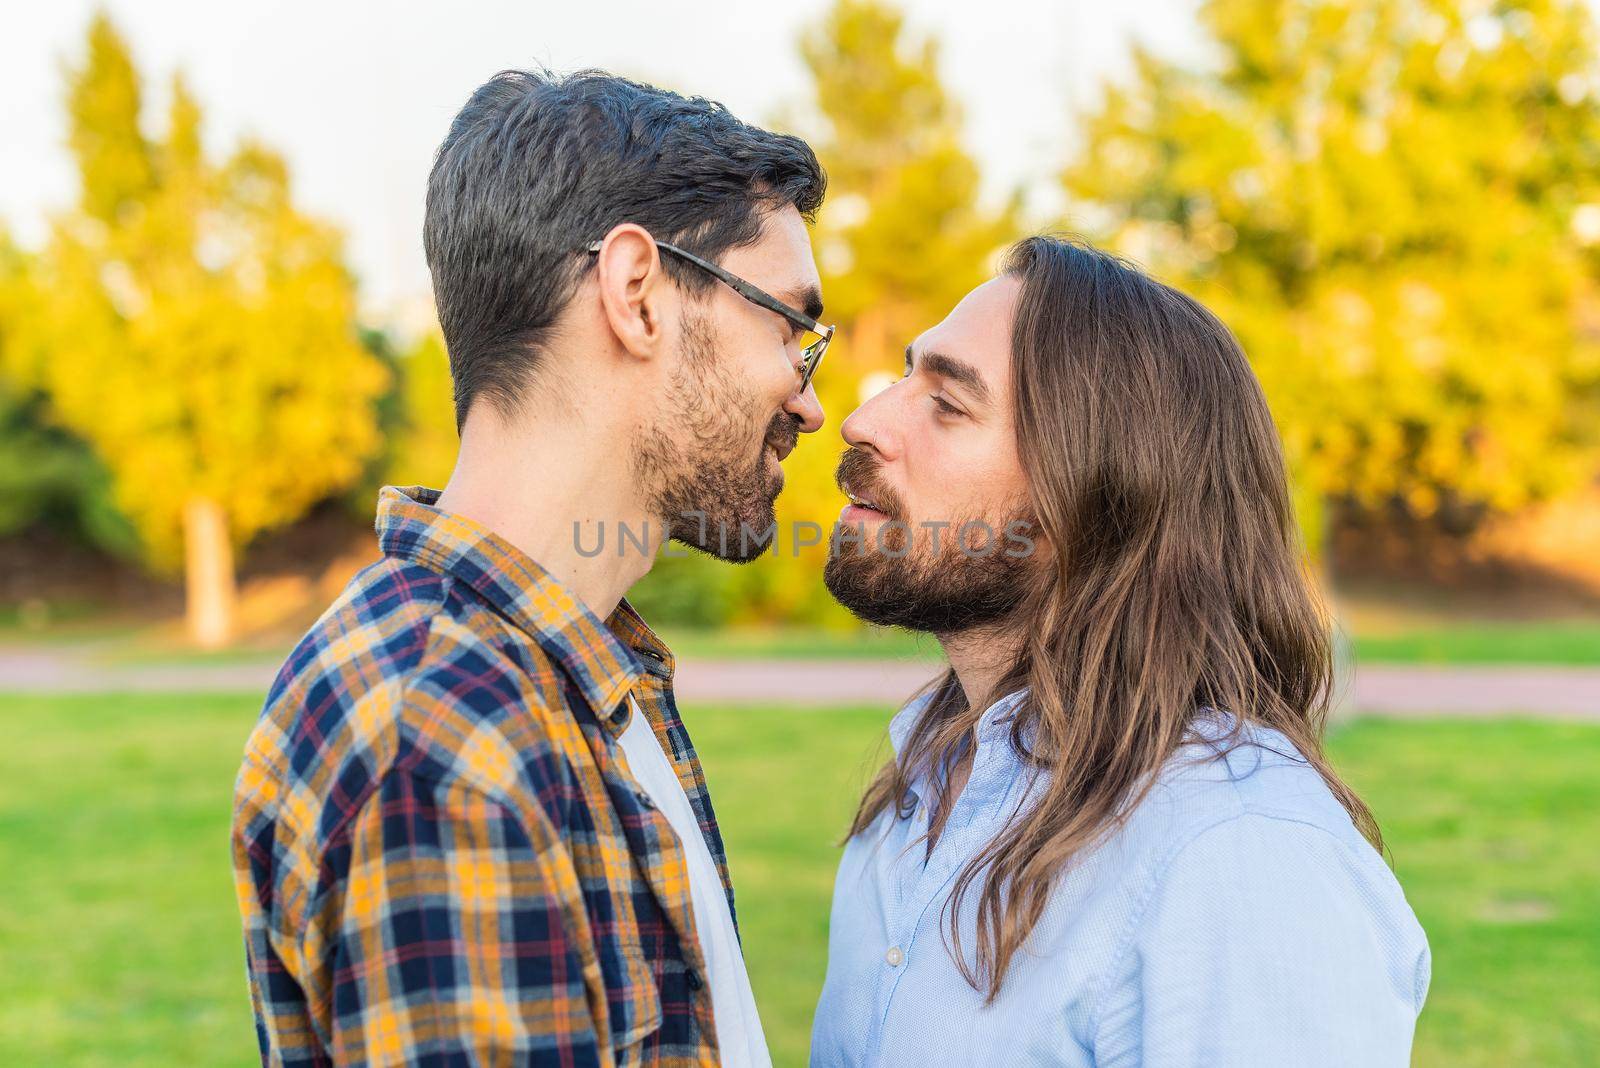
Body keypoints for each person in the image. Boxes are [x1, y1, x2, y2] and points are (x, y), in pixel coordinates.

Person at [232, 68, 832, 1067]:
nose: (808, 401)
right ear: (636, 293)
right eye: (789, 329)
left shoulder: (574, 675)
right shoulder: (444, 735)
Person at [811, 235, 1430, 1066]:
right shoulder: (914, 802)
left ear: (1097, 493)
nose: (862, 420)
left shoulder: (1240, 855)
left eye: (948, 404)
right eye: (906, 375)